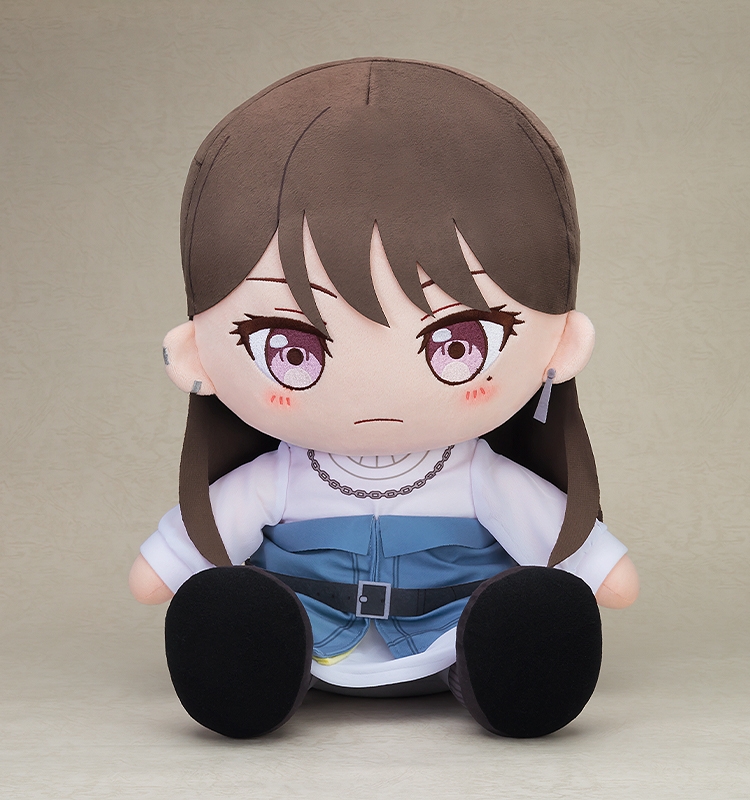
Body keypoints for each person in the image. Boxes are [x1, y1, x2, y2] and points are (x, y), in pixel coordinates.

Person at [129, 58, 639, 740]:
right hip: (309, 634)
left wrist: (592, 571)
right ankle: (254, 674)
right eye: (292, 350)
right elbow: (162, 573)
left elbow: (604, 577)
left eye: (458, 344)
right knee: (238, 613)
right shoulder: (279, 479)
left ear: (562, 345)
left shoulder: (481, 477)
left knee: (523, 620)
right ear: (197, 357)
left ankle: (510, 674)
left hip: (451, 636)